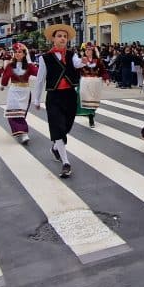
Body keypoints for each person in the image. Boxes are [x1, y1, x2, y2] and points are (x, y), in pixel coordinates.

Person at [34, 24, 83, 178]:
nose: (62, 38)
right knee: (58, 128)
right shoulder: (45, 58)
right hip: (54, 97)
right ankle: (66, 163)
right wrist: (36, 99)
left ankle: (56, 147)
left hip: (70, 96)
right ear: (53, 39)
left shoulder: (72, 55)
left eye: (65, 36)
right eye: (59, 36)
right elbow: (40, 80)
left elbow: (78, 64)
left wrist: (88, 58)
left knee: (66, 127)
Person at [0, 43, 38, 145]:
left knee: (21, 113)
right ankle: (23, 133)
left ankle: (22, 132)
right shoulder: (10, 65)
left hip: (25, 92)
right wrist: (3, 85)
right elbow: (5, 76)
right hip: (14, 91)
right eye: (15, 52)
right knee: (13, 113)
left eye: (20, 52)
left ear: (24, 54)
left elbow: (38, 73)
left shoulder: (29, 66)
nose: (17, 54)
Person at [76, 42, 107, 128]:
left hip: (95, 83)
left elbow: (103, 70)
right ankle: (90, 118)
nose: (87, 51)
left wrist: (106, 78)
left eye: (89, 50)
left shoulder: (98, 61)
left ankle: (91, 114)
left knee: (93, 101)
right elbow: (75, 70)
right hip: (84, 82)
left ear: (93, 51)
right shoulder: (81, 60)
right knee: (84, 98)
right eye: (86, 49)